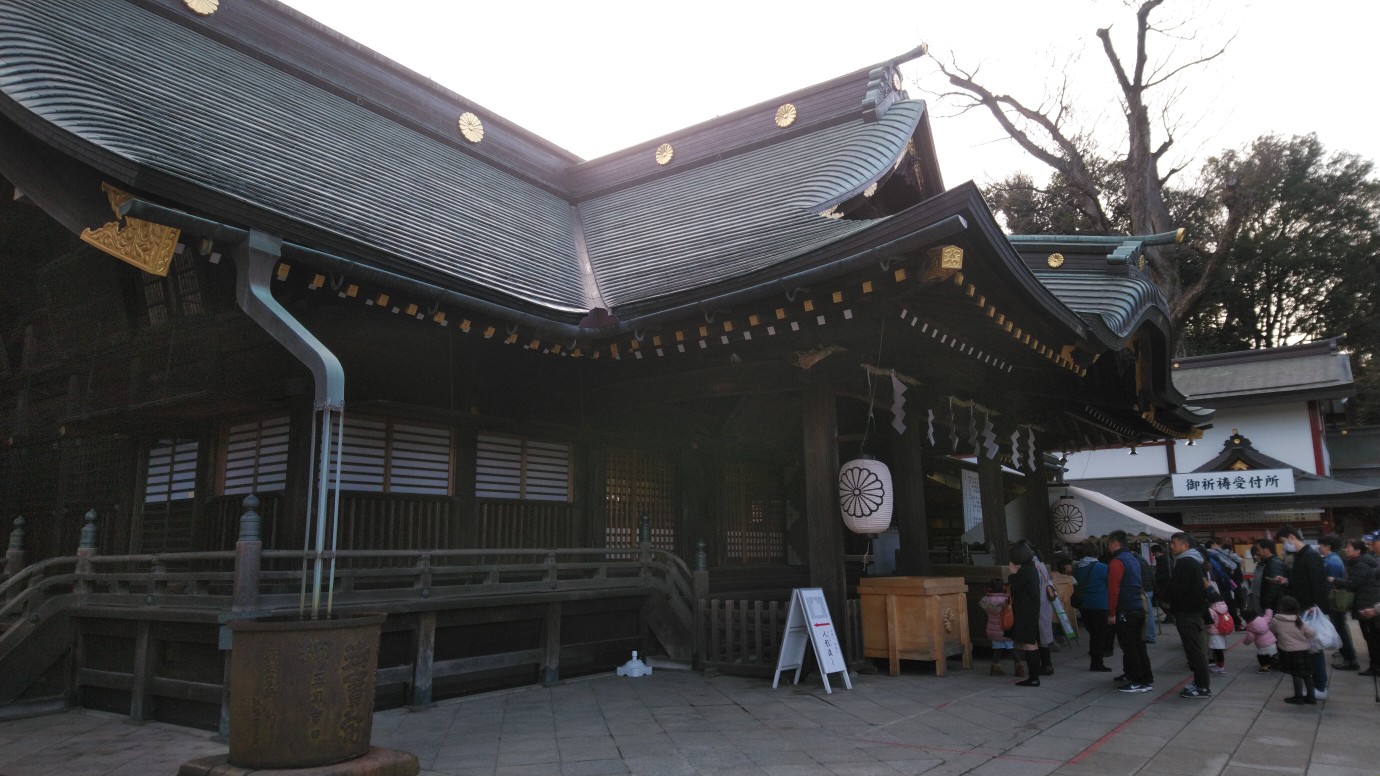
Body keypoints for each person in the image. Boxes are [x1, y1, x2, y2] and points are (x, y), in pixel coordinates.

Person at [1273, 526, 1332, 698]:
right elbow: (1301, 583)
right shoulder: (1301, 556)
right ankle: (1316, 686)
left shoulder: (1310, 556)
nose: (1284, 547)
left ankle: (1320, 687)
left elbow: (1318, 584)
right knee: (1309, 649)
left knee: (1314, 649)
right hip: (1304, 607)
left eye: (1284, 543)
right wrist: (1286, 582)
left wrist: (1317, 607)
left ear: (1291, 537)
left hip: (1311, 608)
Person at [1165, 531, 1212, 699]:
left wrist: (1167, 598)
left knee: (1195, 652)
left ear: (1185, 545)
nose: (1171, 546)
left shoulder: (1185, 562)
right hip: (1194, 612)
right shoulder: (1195, 561)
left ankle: (1202, 687)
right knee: (1196, 651)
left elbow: (1178, 588)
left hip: (1188, 613)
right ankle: (1200, 683)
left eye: (1174, 543)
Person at [1106, 530, 1153, 693]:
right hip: (1138, 606)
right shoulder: (1134, 559)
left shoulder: (1116, 562)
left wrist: (1111, 612)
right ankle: (1146, 677)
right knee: (1139, 644)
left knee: (1129, 646)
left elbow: (1113, 589)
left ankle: (1138, 680)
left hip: (1125, 608)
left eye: (1109, 545)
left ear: (1114, 544)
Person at [1332, 537, 1379, 676]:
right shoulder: (1361, 562)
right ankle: (1375, 665)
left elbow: (1354, 584)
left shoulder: (1361, 565)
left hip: (1367, 606)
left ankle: (1376, 666)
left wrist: (1335, 581)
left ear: (1358, 551)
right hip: (1366, 603)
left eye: (1349, 548)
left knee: (1371, 638)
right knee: (1371, 638)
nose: (1346, 550)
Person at [1318, 535, 1359, 670]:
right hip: (1334, 599)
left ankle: (1350, 659)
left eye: (1322, 545)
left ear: (1328, 547)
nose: (1319, 547)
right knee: (1339, 628)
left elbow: (1331, 584)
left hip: (1335, 600)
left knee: (1340, 629)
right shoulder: (1332, 559)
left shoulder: (1333, 562)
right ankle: (1348, 657)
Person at [1072, 540, 1113, 672]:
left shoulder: (1078, 568)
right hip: (1100, 604)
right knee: (1100, 636)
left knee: (1093, 634)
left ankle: (1095, 658)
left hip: (1084, 605)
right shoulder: (1102, 568)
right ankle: (1097, 662)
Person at [1008, 541, 1044, 687]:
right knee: (1031, 643)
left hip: (1025, 611)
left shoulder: (1026, 571)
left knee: (1030, 645)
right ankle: (1034, 677)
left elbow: (1013, 586)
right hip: (1031, 609)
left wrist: (1012, 574)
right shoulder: (1032, 568)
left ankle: (1034, 678)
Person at [1270, 595, 1318, 705]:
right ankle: (1311, 697)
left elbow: (1271, 629)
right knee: (1307, 674)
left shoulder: (1276, 620)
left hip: (1288, 651)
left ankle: (1298, 696)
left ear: (1280, 607)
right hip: (1304, 651)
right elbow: (1312, 634)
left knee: (1296, 674)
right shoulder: (1299, 621)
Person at [979, 578, 1023, 677]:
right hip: (1007, 629)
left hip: (994, 631)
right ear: (1004, 587)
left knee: (998, 650)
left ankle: (995, 669)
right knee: (1013, 650)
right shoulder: (1007, 600)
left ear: (989, 589)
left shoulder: (986, 600)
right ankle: (1019, 669)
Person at [1250, 539, 1285, 613]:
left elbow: (1273, 588)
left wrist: (1267, 606)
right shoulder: (1268, 563)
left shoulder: (1274, 564)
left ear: (1265, 550)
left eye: (1258, 550)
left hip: (1271, 608)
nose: (1257, 552)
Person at [1241, 608, 1278, 673]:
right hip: (1272, 642)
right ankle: (1269, 664)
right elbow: (1268, 617)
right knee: (1268, 655)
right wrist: (1268, 609)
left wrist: (1245, 642)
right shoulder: (1263, 620)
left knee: (1260, 656)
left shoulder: (1250, 627)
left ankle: (1264, 668)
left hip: (1263, 645)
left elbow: (1250, 638)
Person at [1206, 591, 1231, 674]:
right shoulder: (1223, 607)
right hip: (1221, 632)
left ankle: (1220, 667)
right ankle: (1220, 666)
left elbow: (1209, 622)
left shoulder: (1211, 610)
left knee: (1217, 651)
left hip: (1214, 633)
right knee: (1219, 651)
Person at [1151, 544, 1173, 624]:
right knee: (1162, 601)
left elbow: (1166, 573)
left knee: (1163, 601)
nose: (1153, 555)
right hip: (1163, 584)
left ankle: (1170, 615)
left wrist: (1157, 576)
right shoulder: (1164, 559)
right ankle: (1170, 615)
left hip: (1164, 584)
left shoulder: (1163, 560)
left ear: (1157, 552)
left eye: (1153, 553)